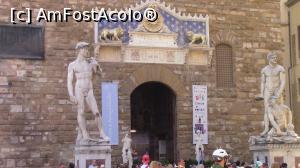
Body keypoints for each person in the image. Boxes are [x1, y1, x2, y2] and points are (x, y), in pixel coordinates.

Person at [67, 41, 109, 142]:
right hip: (79, 88)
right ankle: (84, 134)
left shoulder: (91, 62)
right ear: (80, 50)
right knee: (81, 112)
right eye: (85, 49)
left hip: (89, 89)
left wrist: (97, 66)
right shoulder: (72, 65)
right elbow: (69, 80)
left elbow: (100, 75)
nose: (87, 51)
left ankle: (102, 133)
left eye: (87, 49)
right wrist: (71, 94)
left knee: (96, 112)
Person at [256, 52, 285, 136]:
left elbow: (283, 82)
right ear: (269, 59)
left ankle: (278, 127)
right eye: (273, 58)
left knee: (279, 108)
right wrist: (261, 93)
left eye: (276, 57)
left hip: (277, 90)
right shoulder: (264, 70)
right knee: (266, 110)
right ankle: (266, 129)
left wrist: (279, 92)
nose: (275, 59)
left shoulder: (280, 68)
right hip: (267, 90)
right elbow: (262, 82)